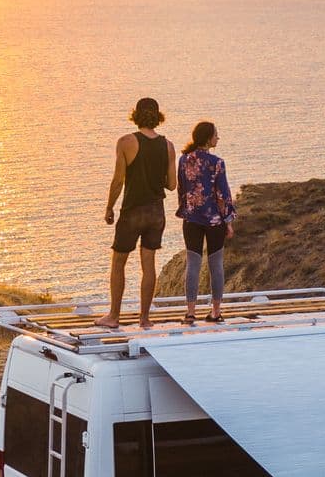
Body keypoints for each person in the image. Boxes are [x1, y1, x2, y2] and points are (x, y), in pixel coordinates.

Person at [98, 97, 177, 329]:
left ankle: (113, 316)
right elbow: (172, 185)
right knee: (148, 263)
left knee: (119, 263)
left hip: (133, 211)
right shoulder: (168, 146)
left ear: (136, 114)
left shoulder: (126, 142)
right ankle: (144, 319)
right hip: (156, 212)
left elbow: (118, 180)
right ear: (158, 116)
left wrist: (109, 207)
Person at [176, 121, 235, 323]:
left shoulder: (184, 160)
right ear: (208, 138)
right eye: (216, 134)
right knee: (215, 265)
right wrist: (228, 221)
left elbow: (182, 189)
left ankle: (190, 313)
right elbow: (223, 194)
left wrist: (186, 210)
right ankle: (216, 312)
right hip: (214, 220)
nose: (218, 138)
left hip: (191, 218)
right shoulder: (217, 162)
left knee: (193, 264)